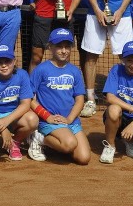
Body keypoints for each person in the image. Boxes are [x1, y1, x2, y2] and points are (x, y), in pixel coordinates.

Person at [27, 28, 90, 165]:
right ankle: (39, 138)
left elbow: (79, 100)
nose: (63, 50)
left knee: (83, 158)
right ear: (50, 47)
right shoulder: (41, 69)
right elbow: (30, 98)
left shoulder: (75, 71)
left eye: (67, 46)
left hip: (70, 121)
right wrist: (47, 116)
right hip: (49, 120)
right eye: (59, 46)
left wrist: (69, 119)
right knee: (69, 144)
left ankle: (58, 143)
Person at [0, 44, 38, 161]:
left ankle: (14, 143)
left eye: (7, 61)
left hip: (12, 115)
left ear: (14, 61)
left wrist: (7, 120)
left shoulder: (22, 75)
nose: (4, 65)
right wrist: (3, 129)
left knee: (32, 119)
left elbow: (26, 103)